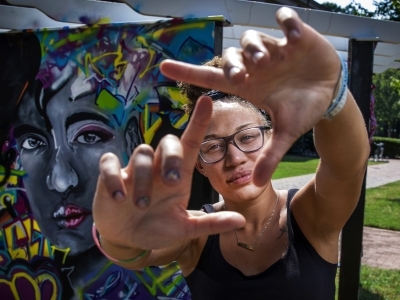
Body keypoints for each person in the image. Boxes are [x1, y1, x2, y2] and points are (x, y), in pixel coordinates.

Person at [92, 7, 369, 299]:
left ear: (271, 136)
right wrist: (117, 238)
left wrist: (333, 95)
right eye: (213, 146)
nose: (234, 158)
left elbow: (346, 166)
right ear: (200, 165)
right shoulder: (195, 234)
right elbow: (137, 251)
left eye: (248, 137)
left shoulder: (311, 217)